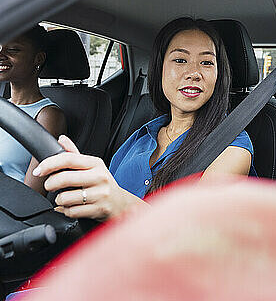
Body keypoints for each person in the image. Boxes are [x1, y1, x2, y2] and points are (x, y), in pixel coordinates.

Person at [32, 17, 253, 220]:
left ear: (218, 75)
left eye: (206, 63)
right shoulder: (143, 135)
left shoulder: (232, 147)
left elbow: (197, 233)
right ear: (159, 69)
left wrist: (120, 204)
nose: (194, 72)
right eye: (180, 60)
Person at [0, 25, 66, 195]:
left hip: (10, 211)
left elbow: (31, 196)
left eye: (13, 50)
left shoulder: (48, 115)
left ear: (38, 59)